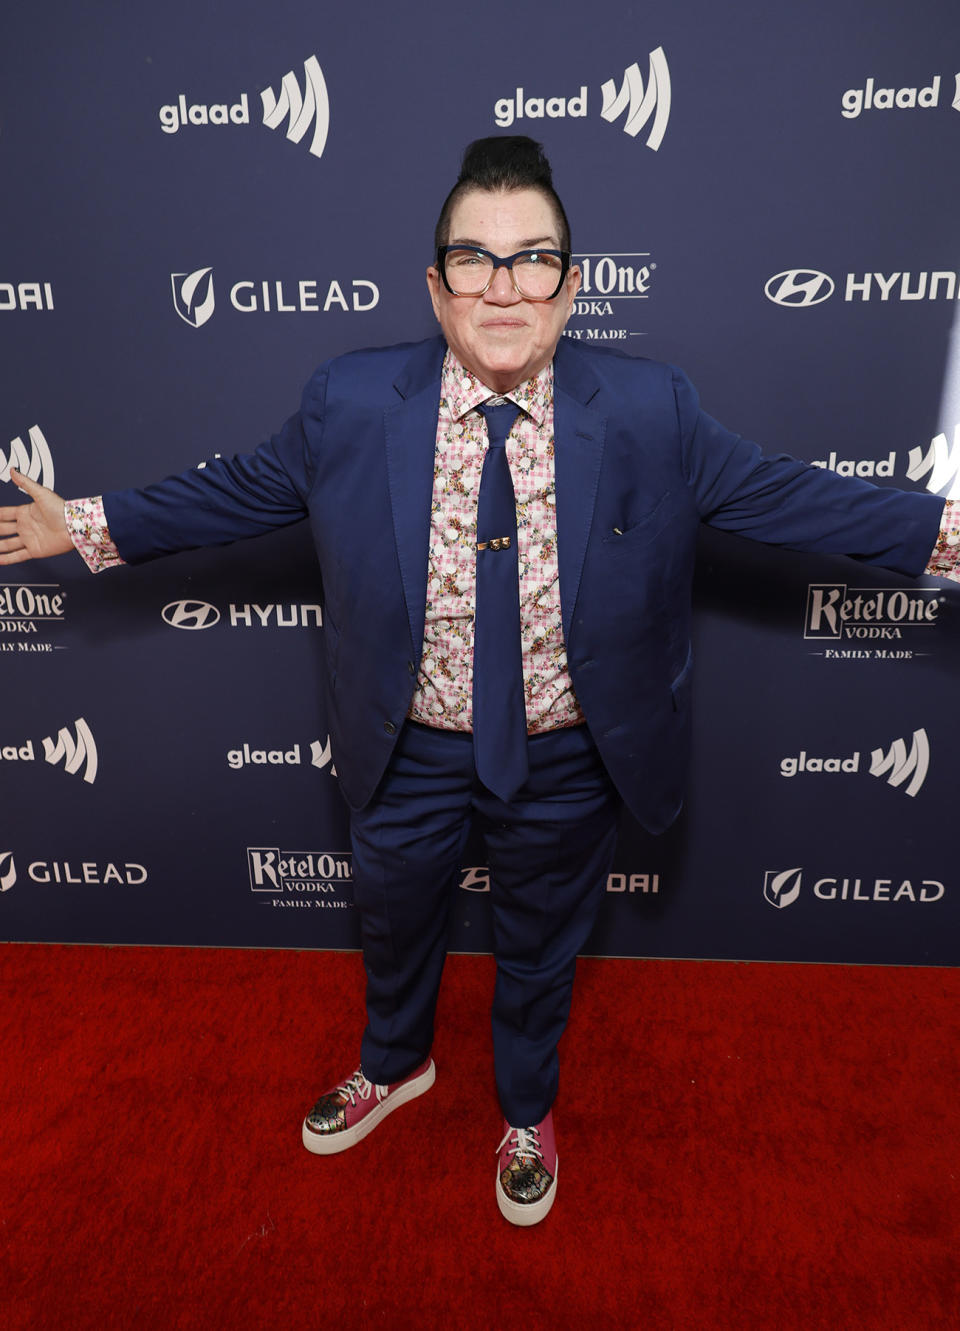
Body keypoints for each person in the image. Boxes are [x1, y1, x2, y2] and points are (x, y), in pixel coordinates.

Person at [2, 137, 957, 1227]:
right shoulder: (352, 402)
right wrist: (82, 526)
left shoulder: (652, 411)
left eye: (533, 258)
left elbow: (797, 499)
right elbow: (239, 491)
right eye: (474, 259)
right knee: (395, 922)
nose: (504, 286)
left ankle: (526, 1107)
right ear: (435, 284)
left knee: (541, 947)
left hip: (565, 749)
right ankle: (394, 1061)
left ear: (572, 282)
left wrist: (950, 536)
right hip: (405, 743)